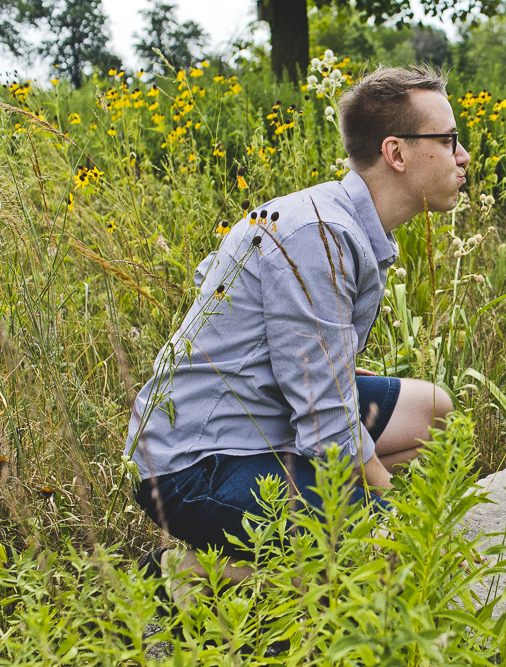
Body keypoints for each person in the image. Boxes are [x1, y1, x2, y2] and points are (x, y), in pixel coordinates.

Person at [126, 66, 467, 589]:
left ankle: (315, 537)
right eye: (447, 141)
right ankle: (193, 571)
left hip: (265, 419)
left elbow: (300, 364)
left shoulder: (340, 222)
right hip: (194, 466)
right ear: (396, 153)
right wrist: (390, 515)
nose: (462, 156)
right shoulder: (318, 234)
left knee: (435, 412)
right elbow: (327, 423)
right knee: (394, 564)